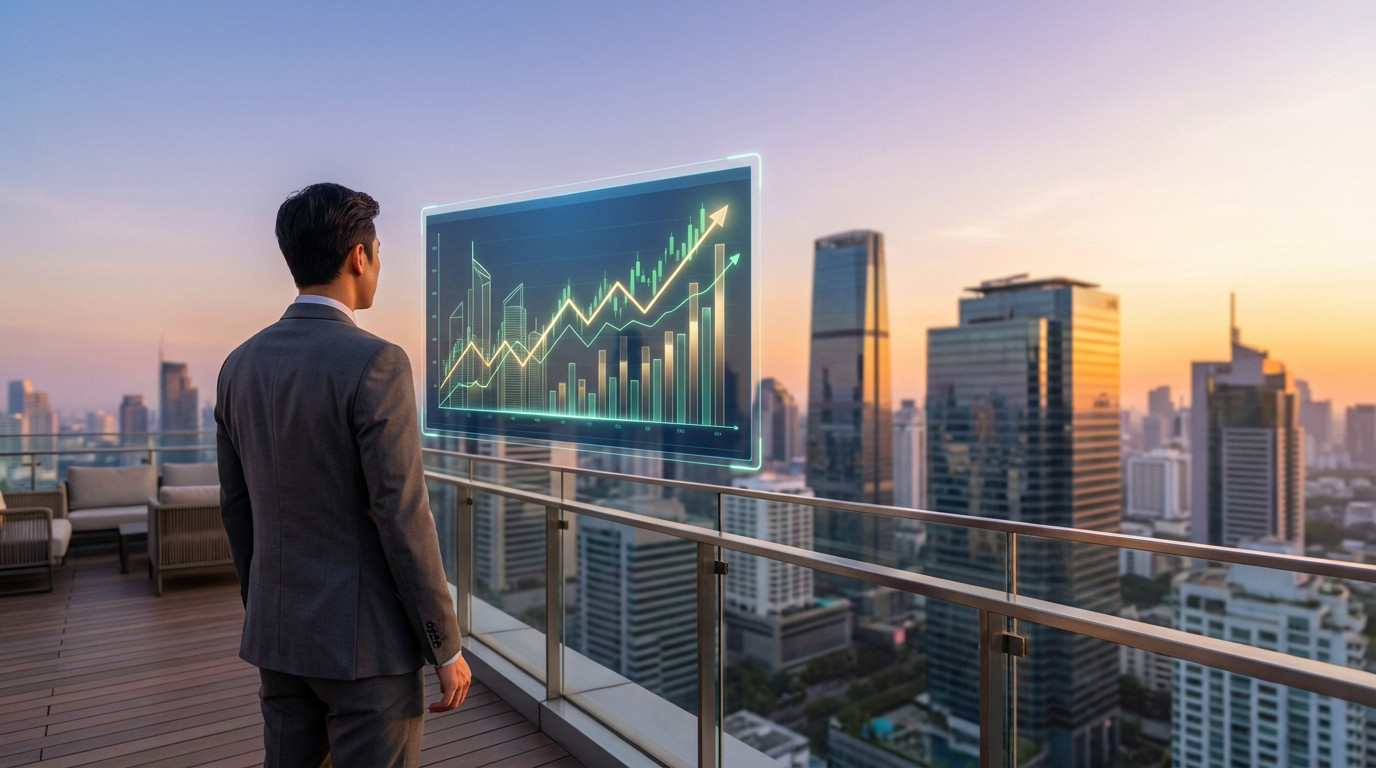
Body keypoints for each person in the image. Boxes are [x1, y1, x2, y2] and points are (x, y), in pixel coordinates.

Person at [216, 182, 470, 767]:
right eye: (379, 250)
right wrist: (445, 646)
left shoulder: (238, 365)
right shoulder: (377, 361)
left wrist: (267, 609)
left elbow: (237, 508)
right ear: (359, 256)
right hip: (366, 651)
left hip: (278, 639)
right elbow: (402, 516)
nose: (380, 264)